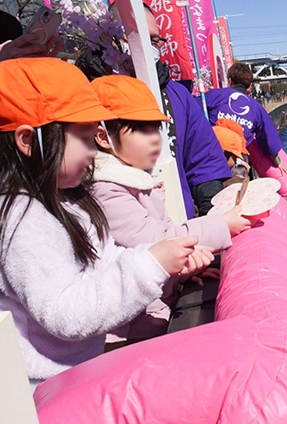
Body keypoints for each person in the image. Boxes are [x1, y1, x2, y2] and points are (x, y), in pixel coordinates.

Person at [0, 58, 199, 388]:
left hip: (83, 369)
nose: (94, 151)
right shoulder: (21, 218)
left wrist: (168, 265)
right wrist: (151, 265)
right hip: (51, 390)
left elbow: (105, 261)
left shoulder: (66, 198)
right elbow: (66, 314)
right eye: (84, 137)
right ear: (27, 141)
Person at [90, 75, 252, 340]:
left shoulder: (133, 179)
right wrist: (223, 224)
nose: (155, 139)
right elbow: (159, 242)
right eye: (142, 130)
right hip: (130, 331)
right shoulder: (106, 189)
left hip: (151, 310)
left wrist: (180, 276)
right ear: (103, 137)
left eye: (156, 128)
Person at [107, 2, 231, 218]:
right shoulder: (91, 92)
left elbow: (203, 161)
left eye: (155, 40)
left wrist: (214, 215)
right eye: (136, 37)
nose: (148, 46)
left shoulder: (178, 95)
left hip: (180, 222)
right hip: (118, 226)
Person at [204, 63, 287, 176]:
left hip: (211, 150)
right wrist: (278, 162)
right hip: (238, 158)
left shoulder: (215, 95)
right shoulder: (256, 107)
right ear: (249, 85)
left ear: (230, 81)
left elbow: (193, 109)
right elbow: (268, 139)